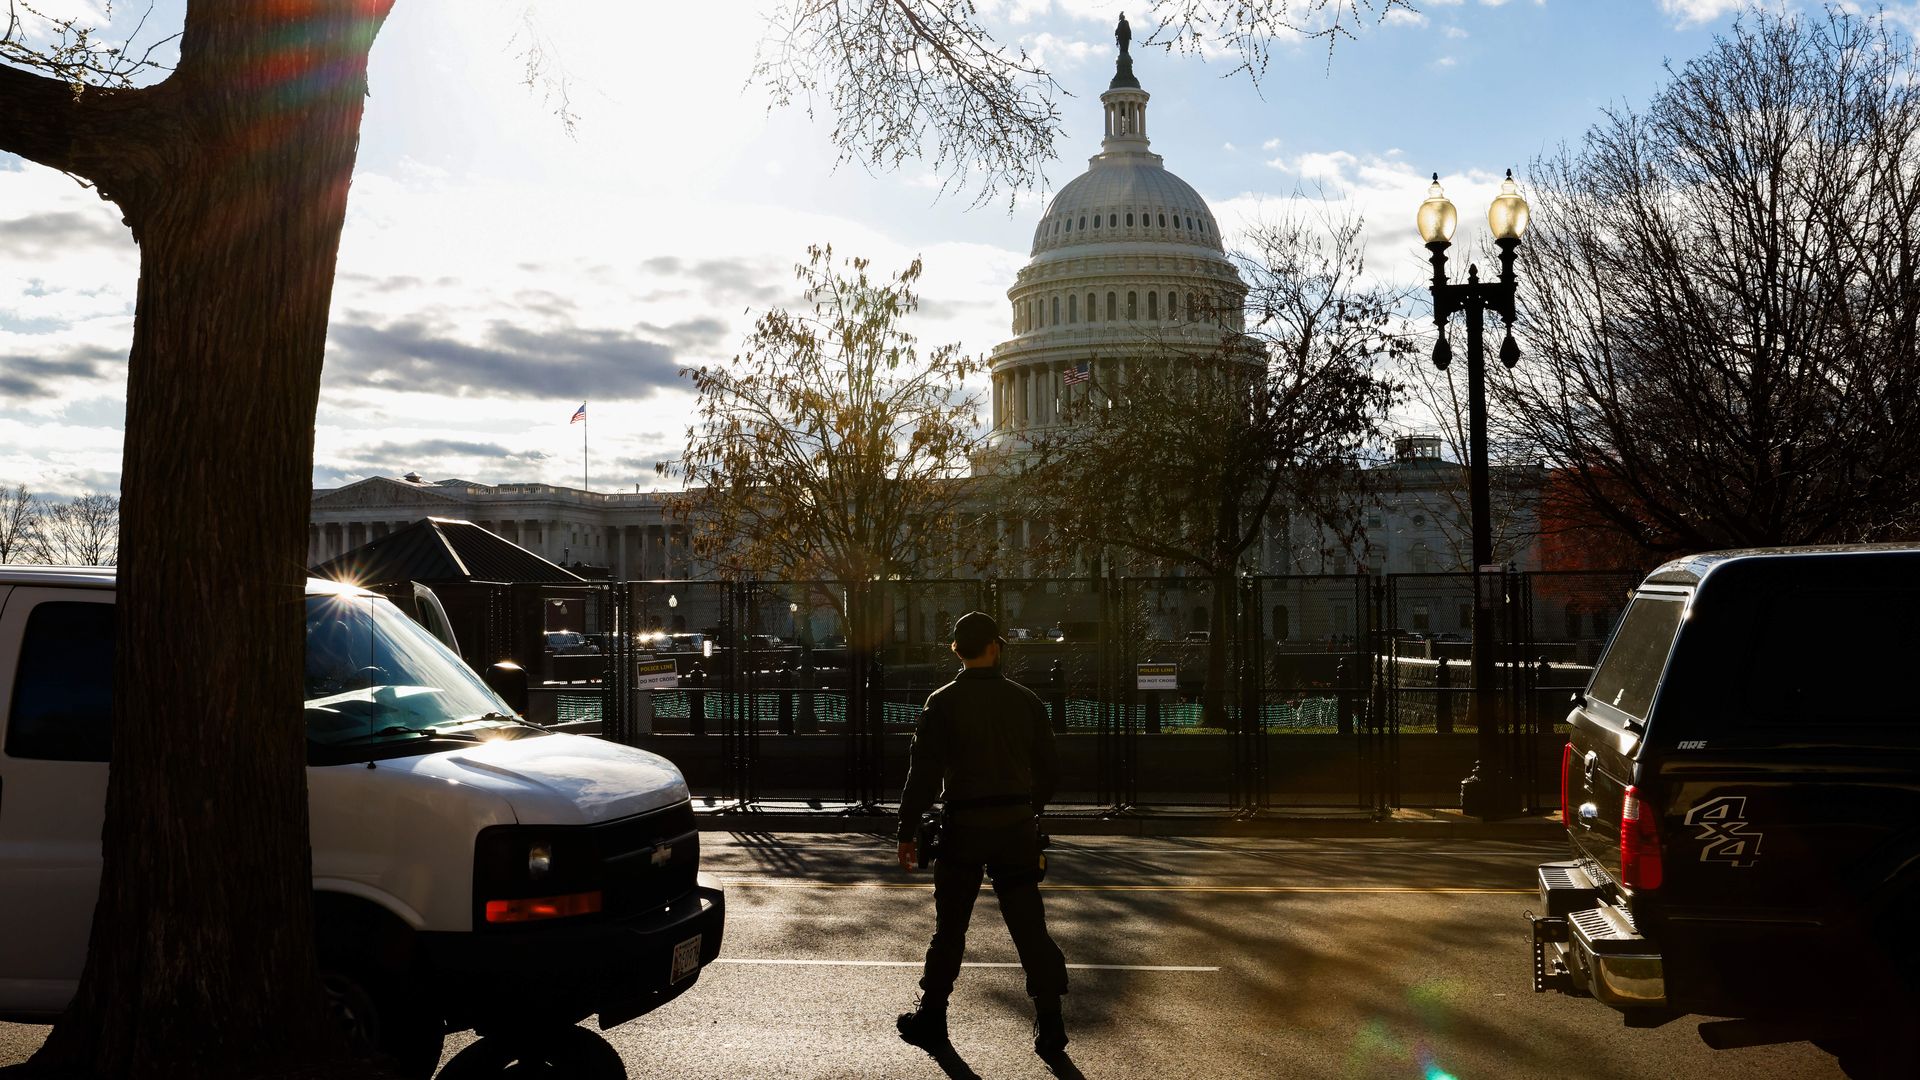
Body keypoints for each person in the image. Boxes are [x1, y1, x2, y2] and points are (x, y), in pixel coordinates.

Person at [895, 610, 1069, 1061]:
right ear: (995, 647)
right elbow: (1050, 771)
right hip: (1014, 828)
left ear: (956, 650)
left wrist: (907, 831)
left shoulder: (942, 702)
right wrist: (1029, 807)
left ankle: (932, 1016)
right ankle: (1050, 1024)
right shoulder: (1026, 701)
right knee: (1030, 928)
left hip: (963, 828)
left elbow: (923, 775)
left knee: (950, 929)